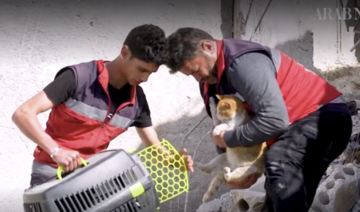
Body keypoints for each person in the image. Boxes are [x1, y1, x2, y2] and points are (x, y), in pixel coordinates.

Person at [165, 27, 352, 212]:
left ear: (207, 46)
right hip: (291, 132)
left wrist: (229, 139)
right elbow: (228, 138)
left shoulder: (243, 63)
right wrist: (238, 170)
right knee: (276, 197)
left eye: (197, 69)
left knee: (280, 161)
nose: (199, 78)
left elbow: (274, 120)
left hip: (326, 117)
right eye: (192, 75)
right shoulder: (210, 86)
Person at [12, 24, 194, 188]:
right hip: (51, 175)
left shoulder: (137, 100)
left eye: (150, 73)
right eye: (141, 69)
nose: (145, 79)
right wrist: (55, 150)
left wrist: (172, 161)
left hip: (91, 180)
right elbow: (23, 113)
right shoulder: (78, 78)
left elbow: (153, 144)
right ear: (124, 52)